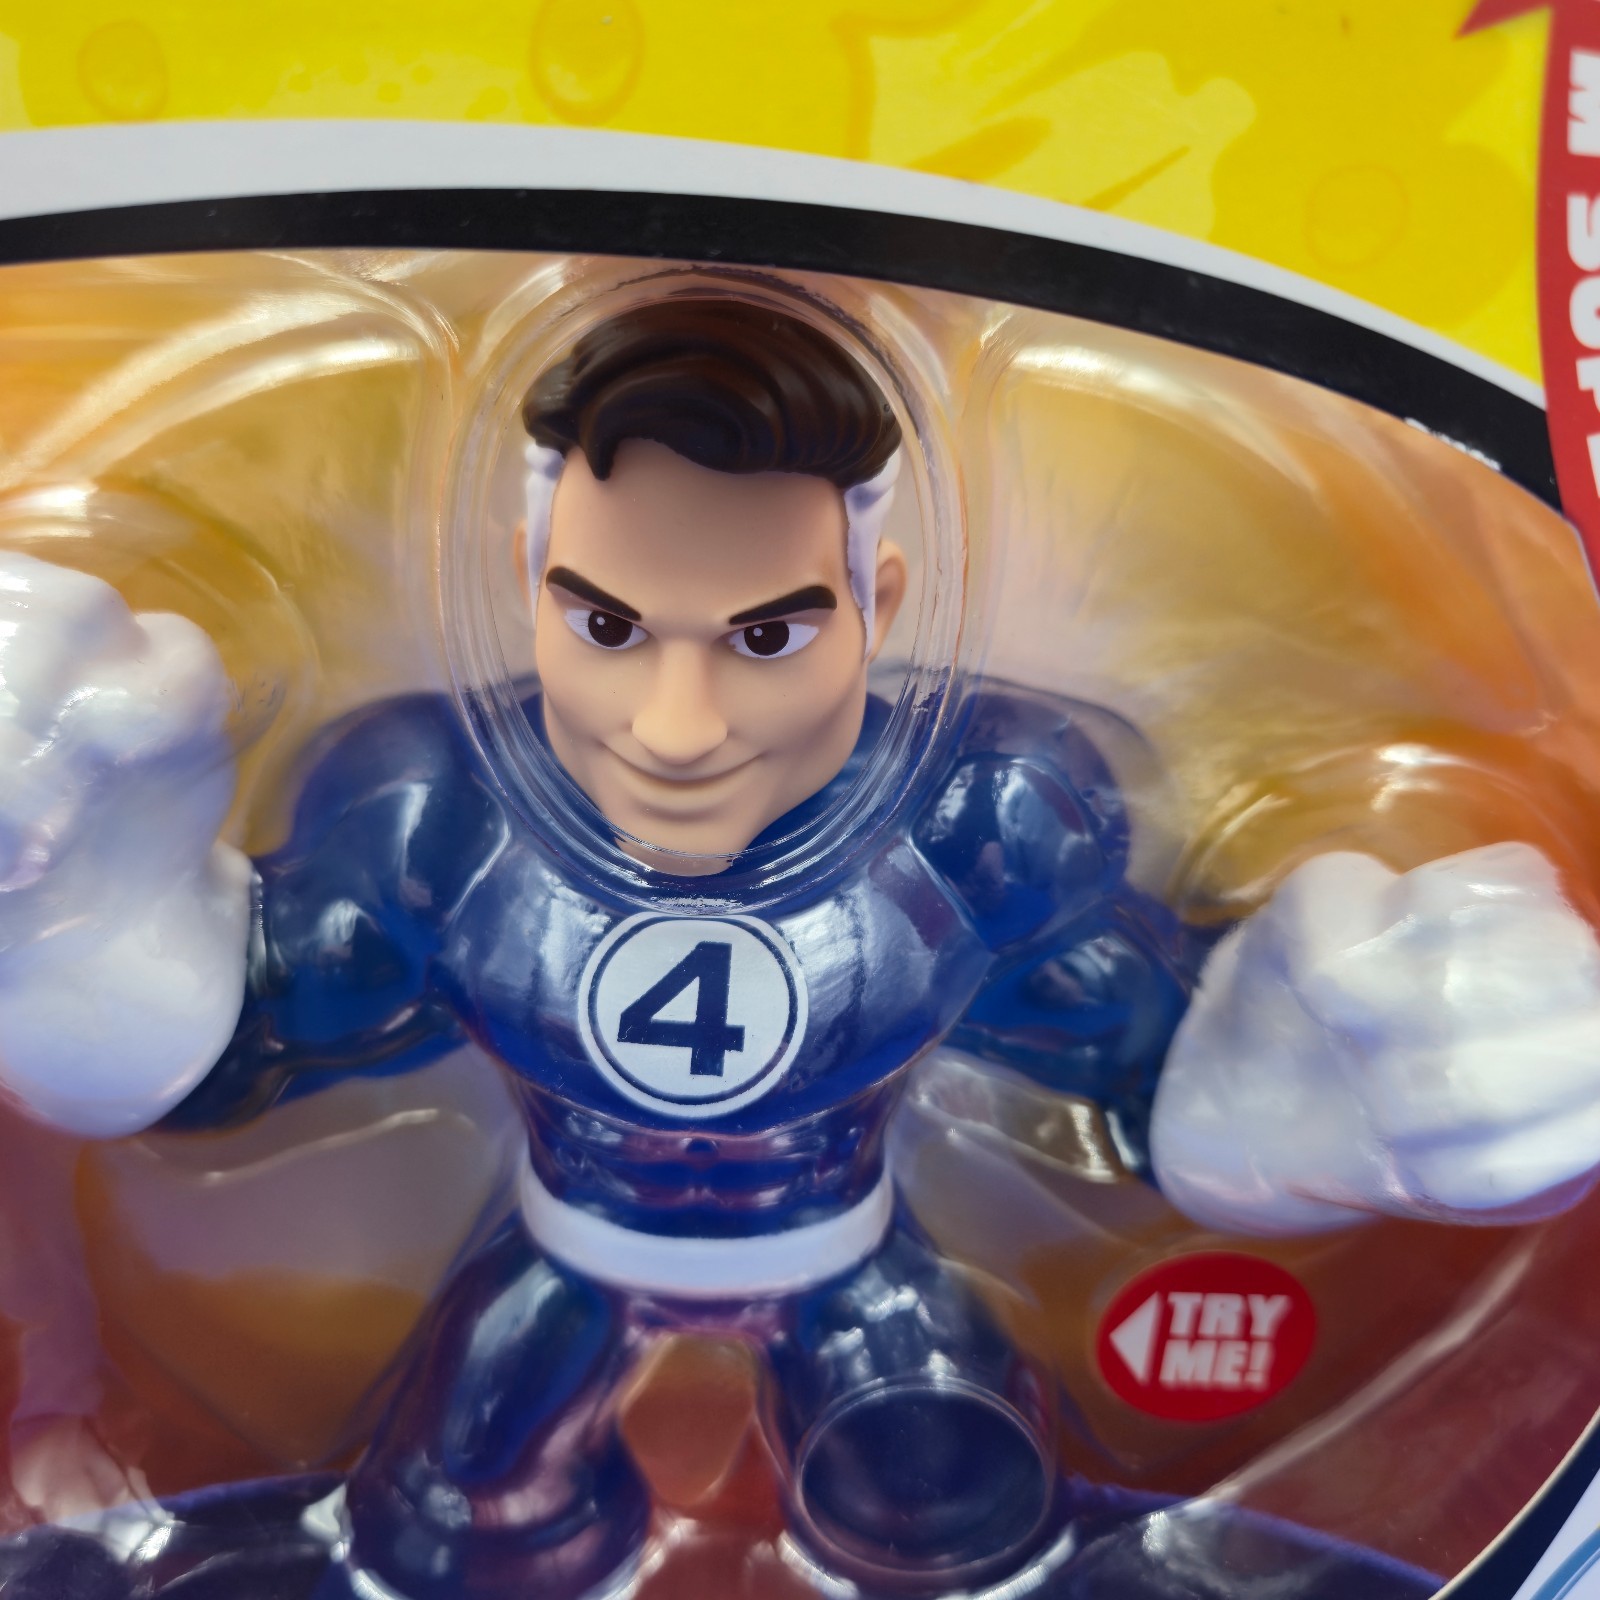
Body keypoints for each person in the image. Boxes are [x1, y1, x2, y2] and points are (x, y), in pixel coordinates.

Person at [1, 294, 1598, 1600]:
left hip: (853, 1260)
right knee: (454, 1522)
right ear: (527, 586)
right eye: (608, 626)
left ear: (875, 596)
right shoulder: (445, 828)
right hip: (560, 1252)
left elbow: (1132, 1038)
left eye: (767, 635)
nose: (678, 725)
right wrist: (77, 922)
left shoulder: (968, 833)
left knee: (948, 1515)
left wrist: (1315, 1083)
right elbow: (253, 1025)